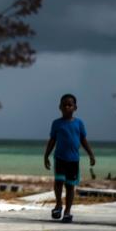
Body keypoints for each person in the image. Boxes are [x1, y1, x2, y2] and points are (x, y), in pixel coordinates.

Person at [44, 93, 97, 223]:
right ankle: (58, 205)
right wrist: (46, 156)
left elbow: (83, 140)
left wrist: (91, 154)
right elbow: (52, 141)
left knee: (70, 186)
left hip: (73, 160)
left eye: (70, 105)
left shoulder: (79, 123)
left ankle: (67, 211)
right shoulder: (56, 123)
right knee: (58, 182)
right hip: (60, 158)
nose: (67, 107)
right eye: (64, 105)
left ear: (75, 107)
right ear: (60, 107)